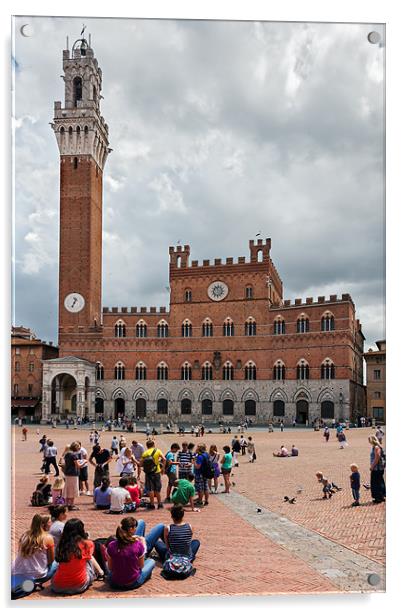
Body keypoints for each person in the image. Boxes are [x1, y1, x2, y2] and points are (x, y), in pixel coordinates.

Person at [106, 517, 164, 590]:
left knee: (141, 522)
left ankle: (140, 555)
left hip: (115, 582)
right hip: (133, 582)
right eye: (134, 527)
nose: (136, 529)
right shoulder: (138, 544)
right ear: (130, 529)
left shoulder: (111, 545)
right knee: (151, 561)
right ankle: (142, 554)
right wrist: (143, 544)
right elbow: (141, 566)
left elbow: (110, 568)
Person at [51, 519, 104, 594]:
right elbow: (89, 557)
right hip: (79, 585)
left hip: (57, 586)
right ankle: (101, 572)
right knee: (88, 559)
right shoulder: (87, 544)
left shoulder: (61, 544)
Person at [12, 514, 57, 587]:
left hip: (18, 571)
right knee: (56, 564)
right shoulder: (48, 538)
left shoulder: (25, 535)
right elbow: (51, 561)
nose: (51, 524)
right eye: (49, 522)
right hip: (37, 574)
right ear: (43, 524)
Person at [140, 439, 166, 510]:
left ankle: (152, 504)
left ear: (147, 446)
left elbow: (140, 464)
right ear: (153, 445)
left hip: (148, 473)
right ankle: (159, 504)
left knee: (150, 489)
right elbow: (164, 459)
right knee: (157, 489)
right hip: (156, 471)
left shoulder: (145, 453)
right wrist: (163, 468)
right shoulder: (157, 450)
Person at [60, 442, 82, 510]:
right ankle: (71, 504)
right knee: (73, 489)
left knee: (67, 488)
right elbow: (78, 465)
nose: (79, 448)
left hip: (67, 473)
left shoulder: (67, 454)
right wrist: (84, 462)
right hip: (73, 473)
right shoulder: (74, 455)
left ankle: (66, 503)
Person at [368, 436, 386, 503]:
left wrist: (372, 466)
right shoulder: (378, 446)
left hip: (377, 468)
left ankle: (378, 497)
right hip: (379, 468)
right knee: (380, 481)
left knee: (375, 483)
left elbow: (377, 457)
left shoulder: (376, 447)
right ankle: (381, 496)